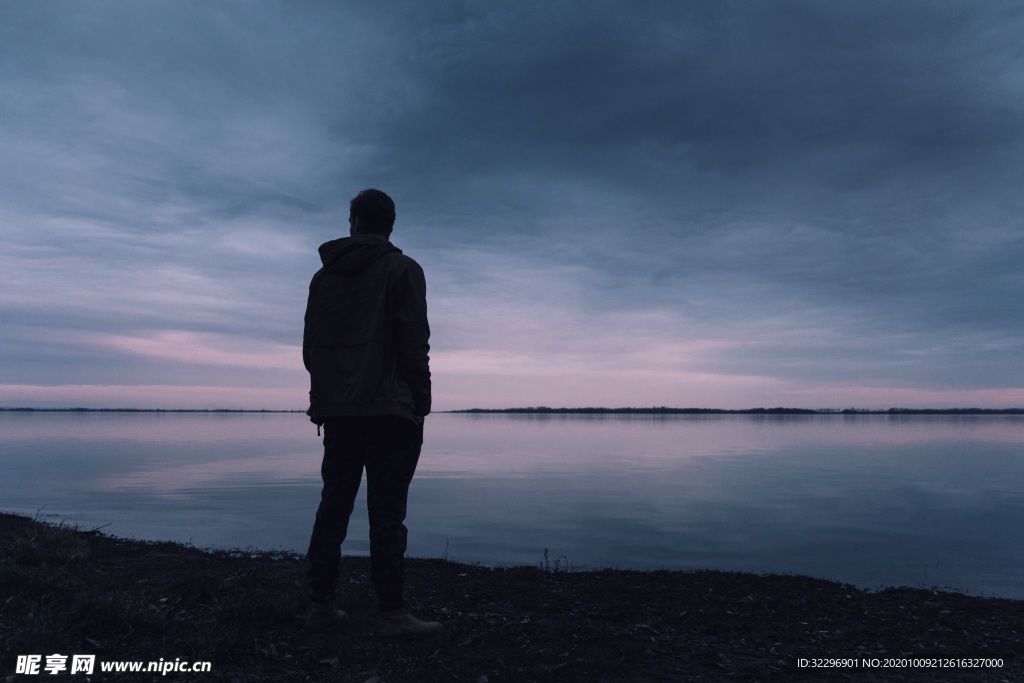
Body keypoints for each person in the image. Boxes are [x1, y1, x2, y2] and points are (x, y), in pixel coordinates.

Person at [302, 188, 441, 637]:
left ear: (355, 223)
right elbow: (413, 343)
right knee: (387, 515)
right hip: (390, 412)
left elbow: (311, 350)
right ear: (390, 225)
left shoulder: (323, 280)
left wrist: (325, 400)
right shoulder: (403, 269)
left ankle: (320, 606)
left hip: (339, 412)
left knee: (333, 507)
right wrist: (422, 402)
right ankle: (391, 613)